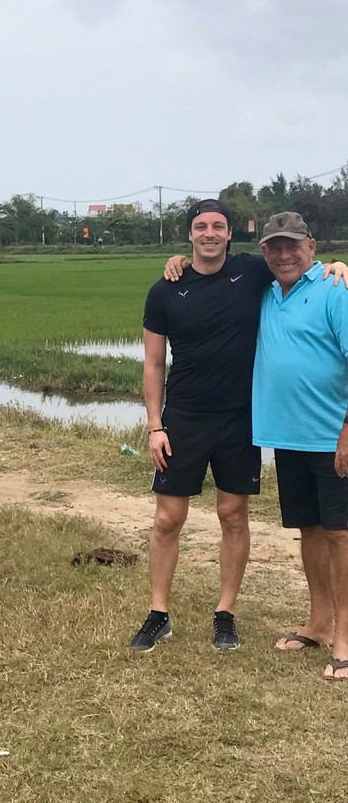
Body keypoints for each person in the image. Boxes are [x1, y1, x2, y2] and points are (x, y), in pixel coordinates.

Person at [131, 199, 269, 652]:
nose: (210, 233)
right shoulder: (165, 289)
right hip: (184, 418)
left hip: (240, 419)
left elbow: (299, 266)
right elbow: (154, 363)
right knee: (168, 518)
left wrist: (337, 267)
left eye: (218, 226)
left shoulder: (252, 272)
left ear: (230, 233)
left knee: (233, 515)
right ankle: (158, 613)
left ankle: (225, 613)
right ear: (189, 235)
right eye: (201, 226)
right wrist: (155, 426)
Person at [250, 212, 348, 678]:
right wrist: (177, 261)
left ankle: (345, 633)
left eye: (293, 245)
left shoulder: (335, 287)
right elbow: (211, 267)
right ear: (265, 252)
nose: (284, 254)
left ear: (311, 246)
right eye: (275, 246)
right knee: (309, 529)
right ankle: (319, 622)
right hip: (288, 437)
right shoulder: (265, 293)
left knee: (341, 534)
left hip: (334, 437)